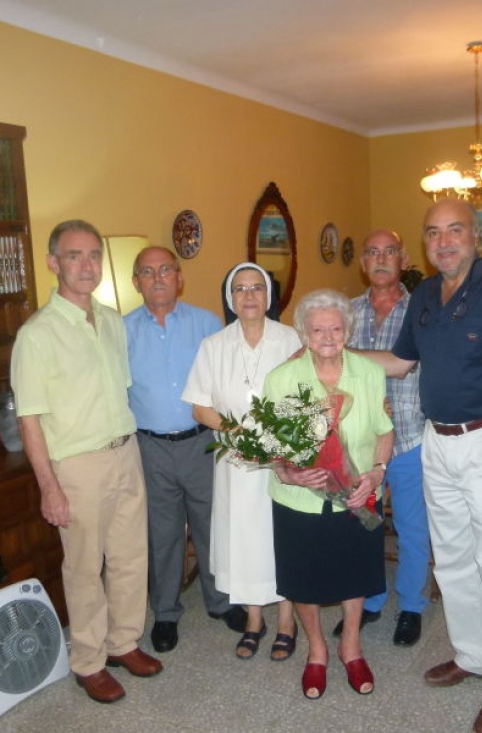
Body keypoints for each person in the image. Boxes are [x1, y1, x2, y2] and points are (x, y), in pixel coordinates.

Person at [358, 199, 482, 733]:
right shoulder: (426, 298)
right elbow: (400, 362)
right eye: (433, 233)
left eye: (454, 230)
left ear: (475, 235)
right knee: (454, 560)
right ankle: (471, 655)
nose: (444, 241)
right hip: (437, 442)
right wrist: (332, 354)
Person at [11, 219, 162, 705]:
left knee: (129, 558)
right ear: (53, 263)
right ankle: (90, 661)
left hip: (125, 451)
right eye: (74, 256)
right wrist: (48, 487)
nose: (86, 265)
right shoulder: (37, 334)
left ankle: (123, 643)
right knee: (83, 567)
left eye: (94, 255)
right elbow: (30, 420)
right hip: (76, 466)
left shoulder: (112, 320)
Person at [263, 288, 394, 699]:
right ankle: (316, 649)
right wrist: (290, 475)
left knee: (355, 571)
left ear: (347, 330)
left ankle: (350, 645)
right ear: (303, 333)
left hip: (357, 495)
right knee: (305, 577)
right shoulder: (282, 379)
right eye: (317, 329)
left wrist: (375, 475)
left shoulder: (369, 373)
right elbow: (270, 446)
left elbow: (384, 433)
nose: (327, 336)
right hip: (299, 501)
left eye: (335, 328)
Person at [124, 246, 246, 655]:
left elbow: (227, 380)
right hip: (150, 447)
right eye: (147, 271)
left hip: (201, 442)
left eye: (165, 270)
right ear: (135, 281)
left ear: (179, 277)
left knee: (213, 525)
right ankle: (165, 613)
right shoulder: (122, 331)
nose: (157, 278)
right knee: (163, 533)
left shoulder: (207, 323)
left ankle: (221, 601)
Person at [182, 262, 303, 661]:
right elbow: (200, 407)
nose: (248, 296)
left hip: (281, 457)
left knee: (280, 537)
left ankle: (286, 620)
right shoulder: (213, 346)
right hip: (235, 461)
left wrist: (275, 439)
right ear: (230, 298)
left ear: (269, 295)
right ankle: (254, 619)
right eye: (240, 289)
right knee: (244, 539)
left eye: (256, 288)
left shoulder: (291, 340)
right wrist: (237, 433)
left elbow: (307, 398)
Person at [340, 228, 430, 647]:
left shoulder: (423, 311)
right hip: (361, 445)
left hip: (411, 439)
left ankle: (411, 605)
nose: (380, 259)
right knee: (365, 525)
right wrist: (368, 404)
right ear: (362, 262)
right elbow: (331, 371)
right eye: (372, 251)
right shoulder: (346, 314)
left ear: (404, 259)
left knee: (413, 528)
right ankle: (371, 600)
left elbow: (419, 367)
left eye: (389, 251)